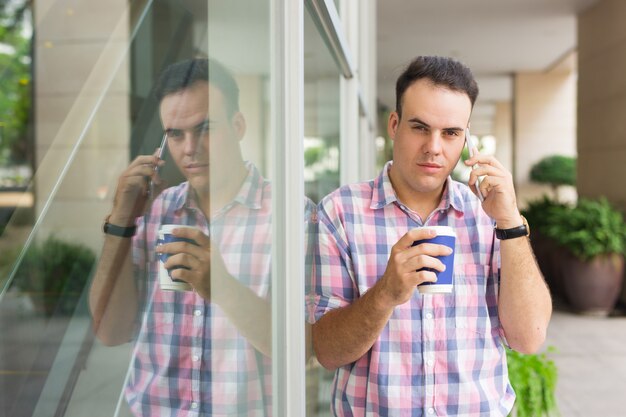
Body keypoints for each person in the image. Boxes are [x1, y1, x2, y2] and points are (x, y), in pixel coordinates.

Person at [309, 56, 552, 416]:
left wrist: (510, 221)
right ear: (394, 125)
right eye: (420, 127)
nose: (434, 148)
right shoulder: (339, 213)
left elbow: (529, 336)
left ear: (466, 140)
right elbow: (327, 352)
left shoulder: (487, 215)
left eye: (450, 133)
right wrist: (386, 294)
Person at [89, 58, 273, 416]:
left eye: (205, 128)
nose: (190, 148)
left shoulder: (291, 217)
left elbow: (305, 350)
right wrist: (121, 220)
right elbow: (110, 331)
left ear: (238, 125)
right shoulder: (157, 213)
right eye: (175, 134)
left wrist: (221, 287)